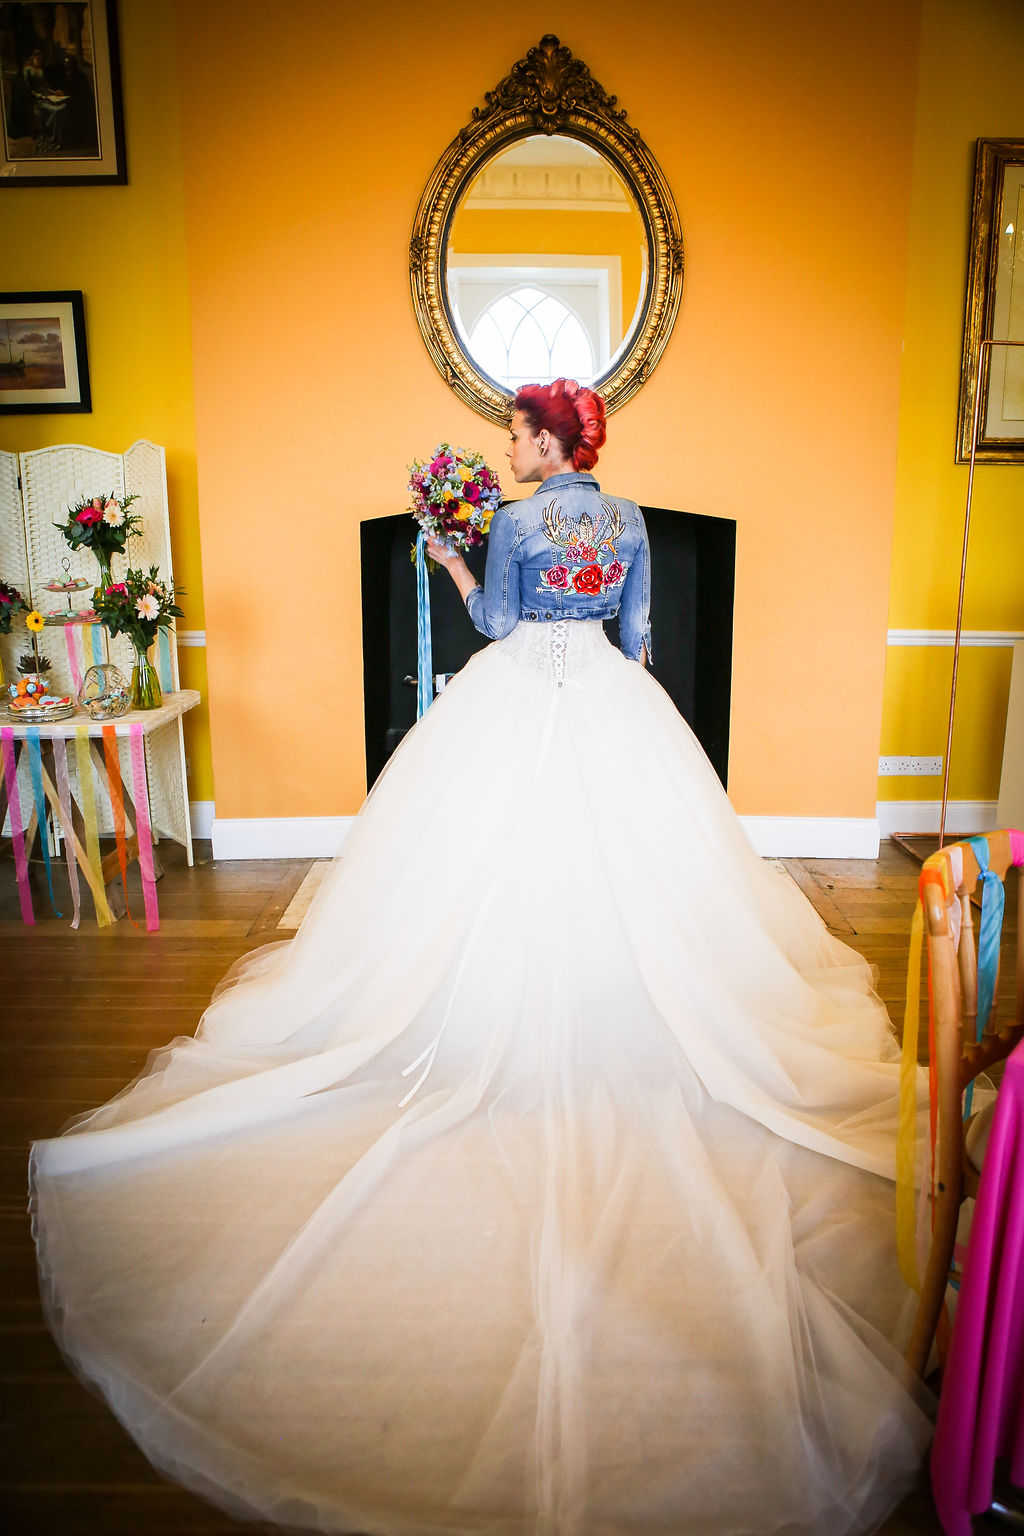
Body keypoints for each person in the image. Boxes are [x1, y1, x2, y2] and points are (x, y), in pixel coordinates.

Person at [30, 379, 933, 1536]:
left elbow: (499, 628)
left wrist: (447, 558)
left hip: (517, 696)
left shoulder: (512, 524)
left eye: (519, 432)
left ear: (552, 441)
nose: (508, 446)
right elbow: (643, 636)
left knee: (473, 859)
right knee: (634, 870)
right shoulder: (631, 519)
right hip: (614, 698)